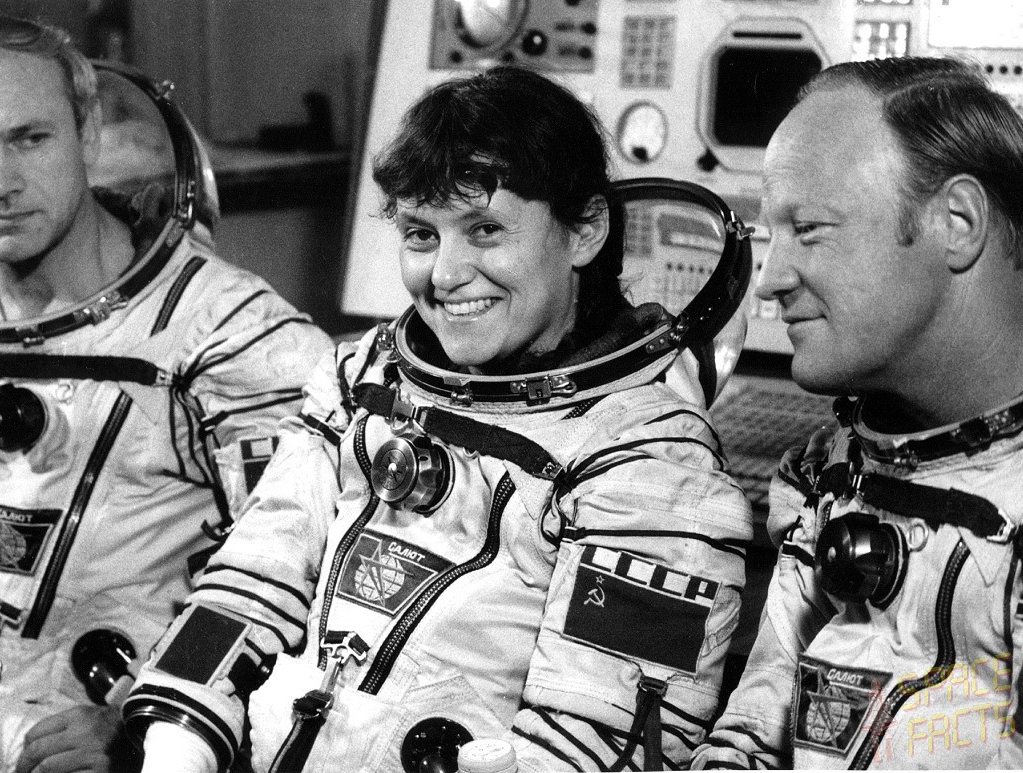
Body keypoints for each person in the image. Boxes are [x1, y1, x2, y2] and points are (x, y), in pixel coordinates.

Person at [121, 65, 755, 773]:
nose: (446, 274)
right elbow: (249, 581)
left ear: (585, 230)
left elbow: (593, 748)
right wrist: (176, 749)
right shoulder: (361, 380)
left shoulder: (651, 465)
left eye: (485, 230)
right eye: (421, 234)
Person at [0, 15, 331, 773]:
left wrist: (151, 719)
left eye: (30, 138)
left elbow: (303, 587)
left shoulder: (232, 337)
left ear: (87, 133)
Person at [692, 57, 1023, 769]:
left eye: (809, 229)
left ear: (957, 223)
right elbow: (750, 738)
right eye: (771, 237)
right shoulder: (831, 475)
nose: (769, 281)